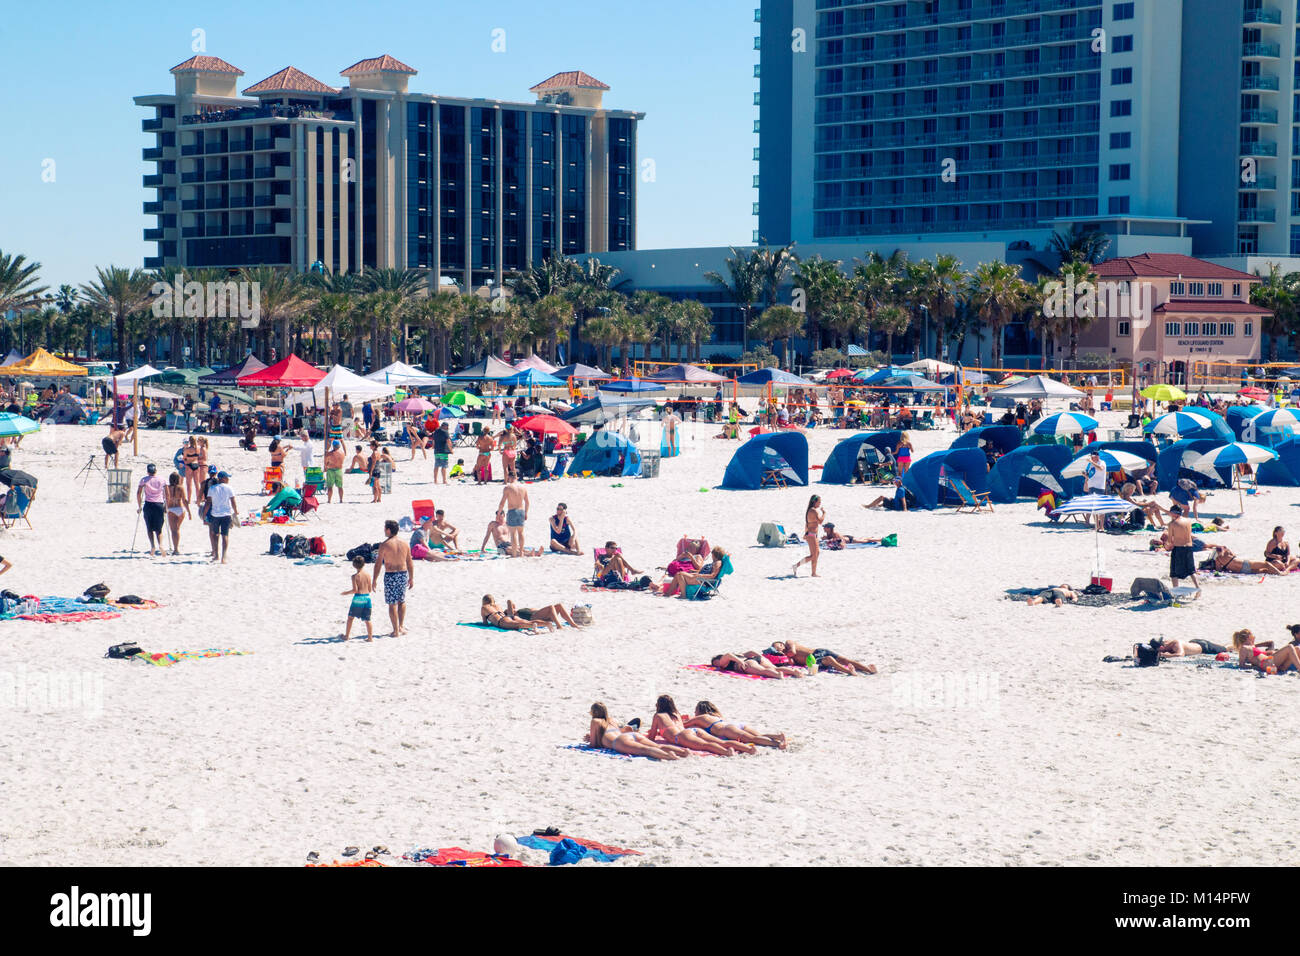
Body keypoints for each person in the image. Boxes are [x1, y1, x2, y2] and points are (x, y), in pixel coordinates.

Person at [649, 695, 751, 756]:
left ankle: (726, 752)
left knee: (705, 745)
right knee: (721, 742)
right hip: (694, 730)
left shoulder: (658, 716)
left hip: (681, 736)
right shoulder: (676, 714)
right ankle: (749, 749)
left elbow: (651, 737)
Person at [587, 703, 688, 760]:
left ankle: (669, 756)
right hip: (631, 735)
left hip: (619, 741)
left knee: (646, 750)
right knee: (658, 746)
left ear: (594, 713)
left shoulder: (595, 721)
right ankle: (683, 752)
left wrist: (589, 739)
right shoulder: (611, 720)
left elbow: (593, 745)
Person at [372, 519, 413, 637]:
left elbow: (378, 563)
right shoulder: (405, 543)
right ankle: (401, 626)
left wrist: (374, 579)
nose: (384, 530)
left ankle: (396, 630)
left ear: (389, 530)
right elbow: (409, 561)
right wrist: (411, 577)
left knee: (392, 603)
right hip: (403, 574)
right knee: (401, 600)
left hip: (391, 575)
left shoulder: (385, 545)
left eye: (385, 528)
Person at [687, 701, 787, 749]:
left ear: (700, 710)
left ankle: (778, 744)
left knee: (753, 739)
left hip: (727, 729)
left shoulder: (700, 718)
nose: (694, 713)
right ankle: (777, 736)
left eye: (695, 711)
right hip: (735, 725)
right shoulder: (716, 716)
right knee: (757, 736)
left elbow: (684, 725)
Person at [767, 639, 877, 676]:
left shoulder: (789, 643)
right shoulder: (785, 656)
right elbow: (791, 662)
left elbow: (792, 651)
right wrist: (782, 656)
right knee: (829, 659)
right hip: (813, 659)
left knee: (845, 660)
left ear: (782, 643)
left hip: (818, 651)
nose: (779, 649)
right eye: (777, 649)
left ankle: (868, 670)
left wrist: (784, 653)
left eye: (779, 646)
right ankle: (849, 672)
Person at [660, 546, 729, 598]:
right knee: (679, 574)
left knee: (680, 575)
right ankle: (679, 595)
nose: (711, 556)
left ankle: (676, 595)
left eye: (712, 554)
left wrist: (699, 575)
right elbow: (708, 572)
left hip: (703, 581)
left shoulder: (718, 563)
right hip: (700, 578)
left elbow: (713, 575)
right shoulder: (715, 562)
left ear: (715, 554)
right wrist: (696, 572)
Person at [203, 470, 238, 564]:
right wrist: (236, 511)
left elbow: (208, 502)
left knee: (215, 534)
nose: (228, 479)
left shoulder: (212, 488)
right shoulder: (229, 488)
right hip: (226, 514)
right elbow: (233, 501)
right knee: (225, 535)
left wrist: (204, 514)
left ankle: (216, 555)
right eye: (227, 478)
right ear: (223, 478)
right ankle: (224, 557)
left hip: (215, 514)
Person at [1233, 628, 1300, 674]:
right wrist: (1256, 668)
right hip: (1266, 663)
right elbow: (1241, 665)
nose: (1254, 637)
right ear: (1249, 637)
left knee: (1297, 648)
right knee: (1289, 647)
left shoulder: (1251, 647)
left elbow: (1269, 643)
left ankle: (1284, 668)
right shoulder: (1244, 648)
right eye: (1252, 635)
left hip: (1270, 662)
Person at [136, 463, 167, 557]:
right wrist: (166, 506)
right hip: (159, 504)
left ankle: (153, 546)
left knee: (149, 528)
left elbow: (138, 493)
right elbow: (167, 494)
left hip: (148, 504)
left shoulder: (144, 480)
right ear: (155, 471)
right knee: (159, 528)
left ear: (148, 471)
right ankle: (160, 545)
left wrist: (139, 506)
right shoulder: (162, 480)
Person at [1166, 505, 1200, 592]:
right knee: (1191, 570)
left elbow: (1170, 541)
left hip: (1178, 548)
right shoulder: (1188, 521)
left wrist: (1166, 546)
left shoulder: (1171, 524)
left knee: (1174, 572)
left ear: (1174, 513)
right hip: (1189, 547)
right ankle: (1198, 588)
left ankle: (1175, 591)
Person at [342, 555, 374, 642]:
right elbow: (370, 589)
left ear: (354, 565)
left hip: (358, 598)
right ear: (364, 564)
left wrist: (346, 593)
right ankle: (370, 637)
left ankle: (347, 636)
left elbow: (355, 590)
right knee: (367, 619)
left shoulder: (354, 576)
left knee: (350, 617)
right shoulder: (367, 575)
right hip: (367, 598)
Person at [480, 594, 553, 632]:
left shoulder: (484, 607)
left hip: (501, 621)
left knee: (519, 625)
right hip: (509, 616)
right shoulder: (497, 605)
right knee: (527, 621)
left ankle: (532, 626)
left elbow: (485, 623)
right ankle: (546, 623)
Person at [709, 651, 805, 679]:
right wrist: (761, 657)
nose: (716, 665)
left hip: (747, 663)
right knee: (776, 668)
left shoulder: (723, 662)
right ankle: (794, 672)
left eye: (714, 663)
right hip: (757, 658)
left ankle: (777, 675)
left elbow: (728, 654)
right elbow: (751, 652)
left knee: (762, 671)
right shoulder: (739, 654)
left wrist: (740, 662)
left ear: (718, 659)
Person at [793, 494, 825, 578]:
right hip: (811, 535)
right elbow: (820, 522)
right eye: (819, 502)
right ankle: (796, 566)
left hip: (813, 535)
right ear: (814, 502)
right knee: (813, 555)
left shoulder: (810, 510)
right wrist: (824, 513)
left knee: (816, 553)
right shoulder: (813, 511)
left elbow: (807, 523)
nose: (820, 504)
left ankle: (813, 573)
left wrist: (805, 533)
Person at [498, 477, 529, 557]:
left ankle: (514, 554)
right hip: (521, 511)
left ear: (510, 477)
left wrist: (499, 513)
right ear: (516, 477)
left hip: (512, 511)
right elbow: (527, 502)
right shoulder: (523, 487)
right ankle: (521, 552)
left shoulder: (508, 487)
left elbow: (502, 502)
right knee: (521, 533)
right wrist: (526, 513)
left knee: (513, 534)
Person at [1201, 544, 1281, 575]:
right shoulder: (1227, 551)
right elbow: (1234, 555)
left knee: (1263, 570)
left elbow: (1219, 570)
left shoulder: (1218, 560)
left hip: (1240, 571)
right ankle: (1279, 572)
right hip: (1244, 564)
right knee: (1265, 564)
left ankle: (1277, 570)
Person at [504, 598, 581, 629]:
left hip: (542, 615)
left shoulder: (517, 610)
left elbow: (513, 604)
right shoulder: (512, 615)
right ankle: (559, 626)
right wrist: (509, 611)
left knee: (559, 605)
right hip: (534, 617)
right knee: (551, 607)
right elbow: (509, 601)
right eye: (508, 609)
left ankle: (573, 624)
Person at [164, 471, 189, 556]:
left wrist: (164, 508)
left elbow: (166, 499)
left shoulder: (166, 487)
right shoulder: (181, 488)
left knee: (173, 530)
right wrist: (189, 511)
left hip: (171, 509)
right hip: (180, 509)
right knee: (177, 529)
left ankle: (176, 549)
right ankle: (176, 548)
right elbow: (185, 500)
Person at [181, 436, 202, 503]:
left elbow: (184, 458)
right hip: (196, 465)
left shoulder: (187, 449)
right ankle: (198, 499)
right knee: (197, 484)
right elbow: (199, 457)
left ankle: (189, 500)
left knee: (189, 484)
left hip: (189, 465)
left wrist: (186, 461)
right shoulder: (198, 449)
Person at [1158, 637, 1228, 658]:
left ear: (1161, 647)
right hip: (1194, 643)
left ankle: (1236, 644)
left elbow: (1180, 655)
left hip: (1204, 647)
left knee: (1226, 648)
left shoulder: (1176, 644)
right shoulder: (1168, 644)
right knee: (1221, 646)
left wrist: (1165, 655)